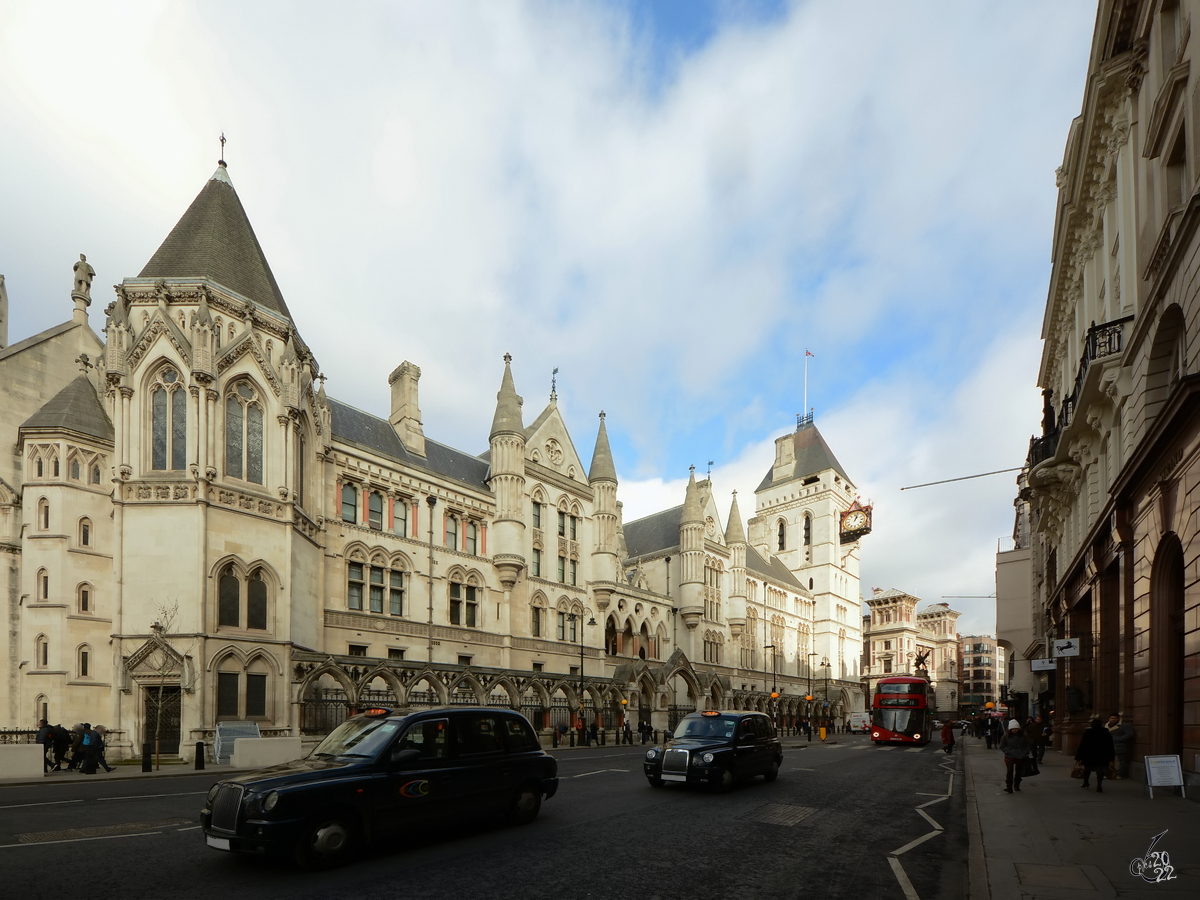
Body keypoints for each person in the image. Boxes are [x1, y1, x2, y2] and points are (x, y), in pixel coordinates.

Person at [1076, 717, 1116, 792]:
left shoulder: (1088, 732)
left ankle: (1086, 782)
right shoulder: (1106, 733)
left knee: (1087, 769)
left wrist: (1078, 757)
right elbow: (1110, 746)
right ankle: (1099, 785)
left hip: (1089, 755)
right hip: (1102, 755)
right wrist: (1111, 757)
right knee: (1100, 770)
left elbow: (1082, 745)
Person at [998, 719, 1030, 793]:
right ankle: (1009, 786)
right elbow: (1002, 746)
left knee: (1018, 771)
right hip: (1010, 756)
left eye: (1016, 729)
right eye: (1013, 729)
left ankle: (1017, 785)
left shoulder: (1024, 736)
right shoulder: (1005, 737)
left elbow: (1028, 745)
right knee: (1009, 771)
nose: (1014, 730)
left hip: (1020, 755)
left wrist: (1025, 752)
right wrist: (1007, 752)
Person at [1107, 714, 1134, 779]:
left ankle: (1121, 774)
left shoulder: (1124, 726)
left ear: (1118, 718)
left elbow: (1129, 734)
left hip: (1120, 745)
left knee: (1122, 761)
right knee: (1109, 761)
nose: (1113, 720)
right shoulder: (1106, 726)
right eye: (1112, 718)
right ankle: (1109, 774)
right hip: (1108, 746)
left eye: (1115, 718)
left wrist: (1120, 739)